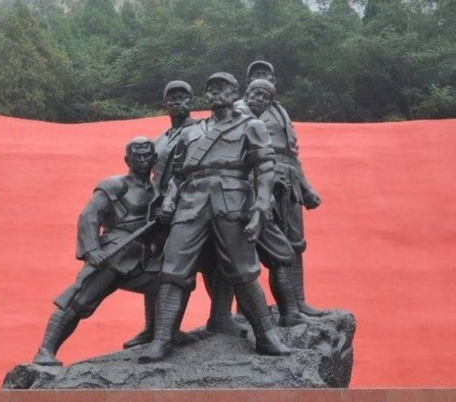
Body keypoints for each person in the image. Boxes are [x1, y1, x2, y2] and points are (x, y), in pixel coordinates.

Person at [138, 72, 288, 363]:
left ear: (235, 92)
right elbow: (177, 175)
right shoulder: (192, 132)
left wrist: (260, 207)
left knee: (243, 271)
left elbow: (265, 169)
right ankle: (162, 339)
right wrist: (169, 200)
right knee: (173, 269)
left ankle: (266, 335)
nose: (215, 93)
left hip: (232, 199)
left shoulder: (252, 126)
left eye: (222, 88)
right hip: (191, 202)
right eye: (211, 89)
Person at [33, 137, 161, 366]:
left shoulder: (158, 189)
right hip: (113, 253)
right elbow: (89, 216)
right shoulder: (115, 185)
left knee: (164, 283)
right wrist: (92, 250)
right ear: (127, 160)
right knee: (80, 301)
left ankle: (152, 332)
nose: (142, 160)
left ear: (154, 158)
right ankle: (45, 350)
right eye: (137, 156)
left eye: (146, 156)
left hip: (140, 256)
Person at [237, 60, 324, 316]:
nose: (262, 78)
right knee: (252, 243)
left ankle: (298, 301)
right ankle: (244, 310)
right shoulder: (241, 109)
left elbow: (293, 154)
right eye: (256, 75)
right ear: (247, 84)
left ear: (274, 82)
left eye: (266, 75)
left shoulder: (281, 111)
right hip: (259, 177)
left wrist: (306, 188)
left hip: (288, 178)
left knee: (294, 242)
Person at [243, 79, 304, 327]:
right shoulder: (243, 120)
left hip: (254, 195)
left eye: (266, 96)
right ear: (246, 92)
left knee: (272, 254)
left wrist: (272, 181)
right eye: (256, 93)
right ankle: (286, 314)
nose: (260, 99)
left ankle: (290, 312)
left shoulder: (256, 118)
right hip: (245, 199)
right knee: (277, 253)